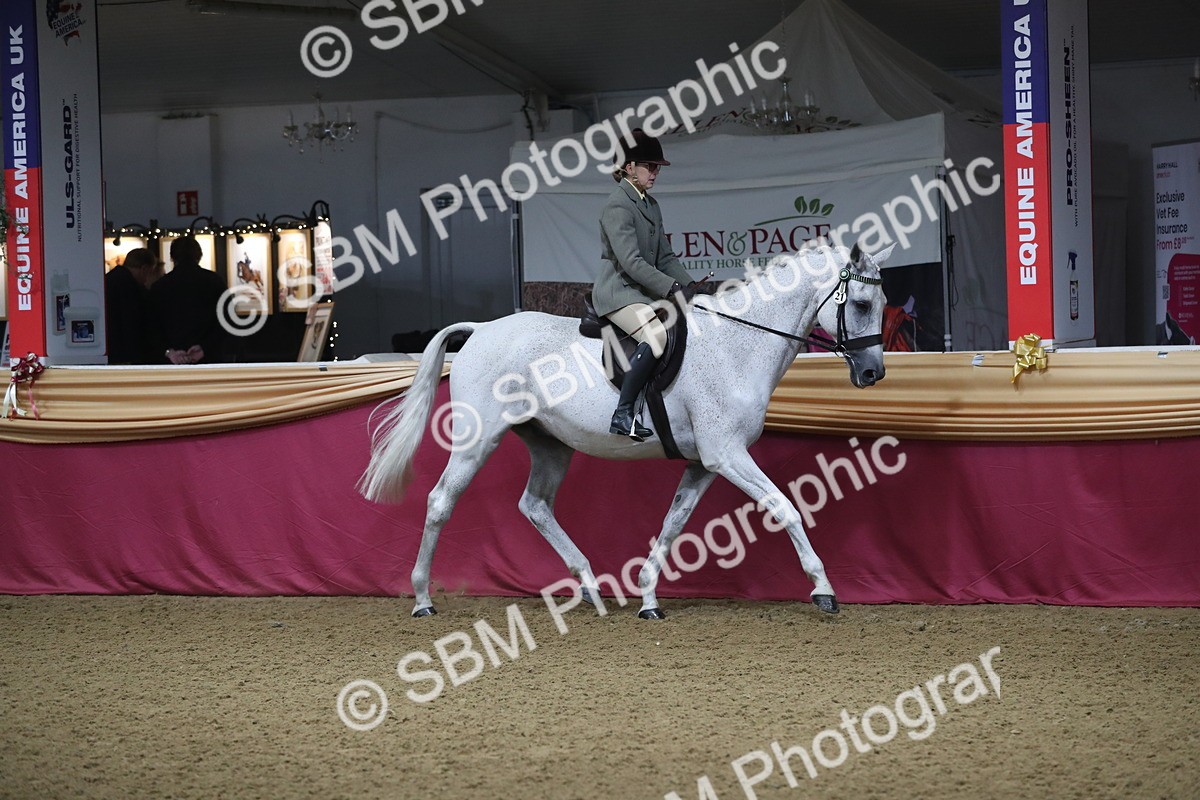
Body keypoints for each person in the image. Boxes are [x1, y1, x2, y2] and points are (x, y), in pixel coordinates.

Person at [592, 129, 696, 440]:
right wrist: (670, 289)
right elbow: (632, 263)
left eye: (657, 168)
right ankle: (623, 414)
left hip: (641, 291)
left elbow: (665, 257)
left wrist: (691, 286)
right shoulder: (617, 205)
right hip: (619, 293)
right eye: (649, 167)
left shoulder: (650, 205)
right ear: (628, 167)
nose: (655, 173)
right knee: (656, 335)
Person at [150, 235, 228, 364]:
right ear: (199, 256)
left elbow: (152, 326)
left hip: (171, 360)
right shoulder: (214, 281)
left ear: (172, 257)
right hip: (208, 358)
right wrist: (205, 348)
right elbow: (225, 320)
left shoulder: (161, 285)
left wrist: (169, 352)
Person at [104, 247, 160, 364]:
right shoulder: (132, 288)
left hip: (109, 351)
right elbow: (132, 325)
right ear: (144, 268)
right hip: (125, 356)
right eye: (150, 271)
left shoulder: (108, 280)